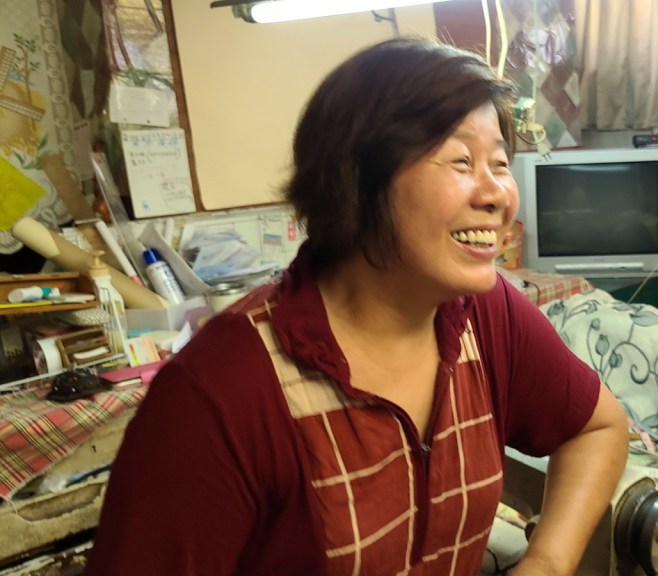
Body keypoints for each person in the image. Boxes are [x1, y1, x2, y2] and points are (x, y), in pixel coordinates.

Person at [85, 37, 628, 575]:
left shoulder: (485, 316)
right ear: (359, 179)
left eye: (500, 163)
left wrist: (546, 564)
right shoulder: (218, 396)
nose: (498, 195)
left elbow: (598, 427)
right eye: (462, 161)